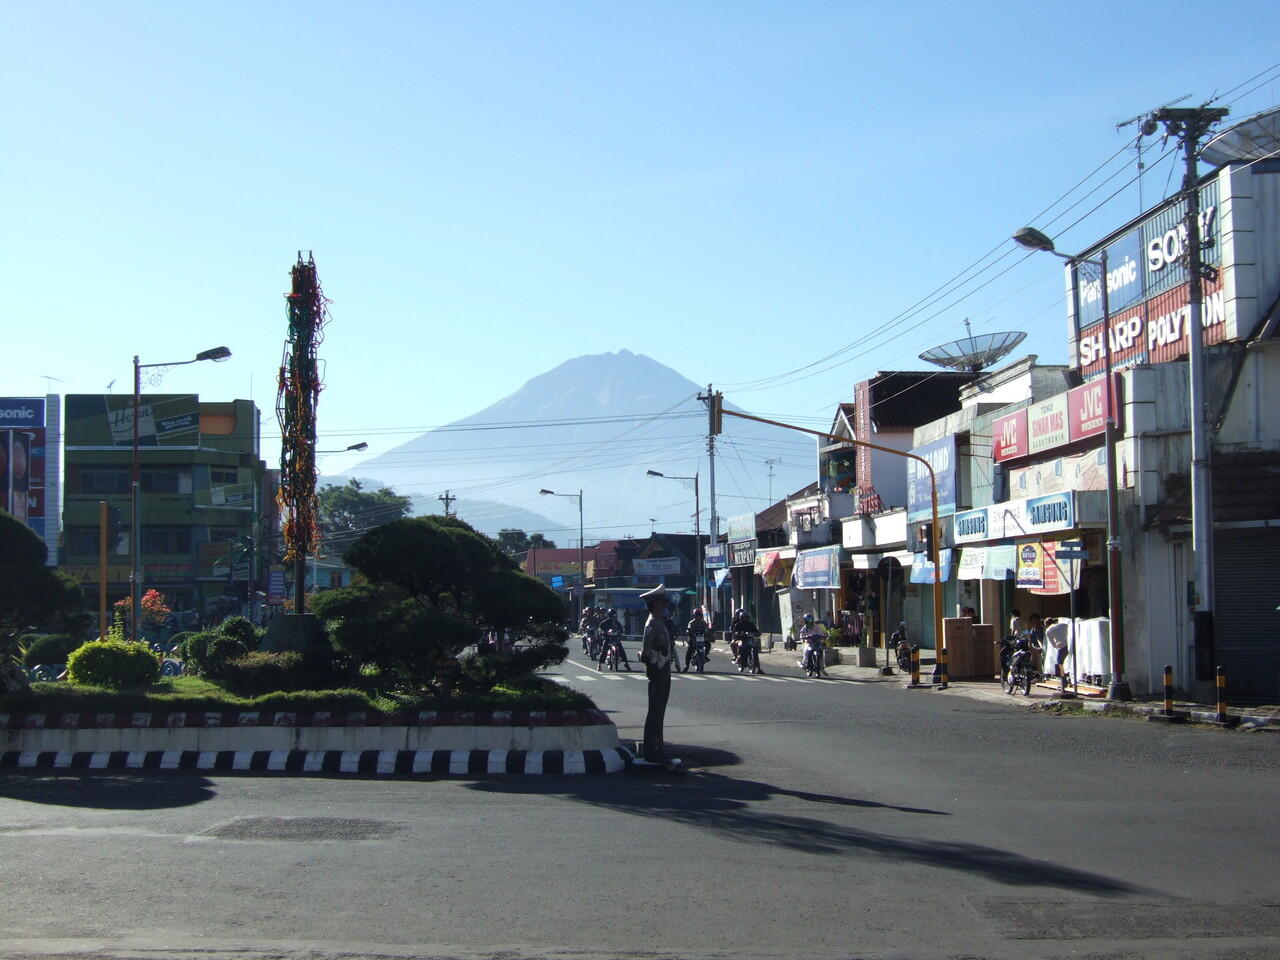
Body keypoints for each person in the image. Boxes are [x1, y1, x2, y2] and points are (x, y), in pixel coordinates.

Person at [639, 585, 674, 762]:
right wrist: (658, 657)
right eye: (662, 600)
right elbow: (645, 653)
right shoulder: (652, 623)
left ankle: (657, 747)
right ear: (655, 604)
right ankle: (652, 749)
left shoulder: (659, 621)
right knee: (655, 710)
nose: (665, 603)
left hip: (664, 670)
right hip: (657, 671)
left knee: (659, 711)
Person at [731, 608, 763, 674]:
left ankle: (758, 668)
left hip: (749, 640)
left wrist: (758, 633)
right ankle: (739, 659)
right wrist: (739, 634)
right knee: (740, 646)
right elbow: (734, 632)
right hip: (741, 639)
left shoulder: (750, 624)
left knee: (755, 650)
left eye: (746, 617)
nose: (745, 619)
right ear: (741, 618)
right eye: (744, 617)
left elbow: (756, 631)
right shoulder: (738, 624)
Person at [683, 607, 710, 672]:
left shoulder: (703, 622)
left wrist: (707, 632)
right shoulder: (691, 623)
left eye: (698, 615)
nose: (697, 617)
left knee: (708, 644)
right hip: (693, 639)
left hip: (701, 638)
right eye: (696, 615)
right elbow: (688, 630)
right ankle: (686, 665)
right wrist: (689, 632)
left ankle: (705, 655)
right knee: (689, 650)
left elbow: (706, 629)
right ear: (694, 616)